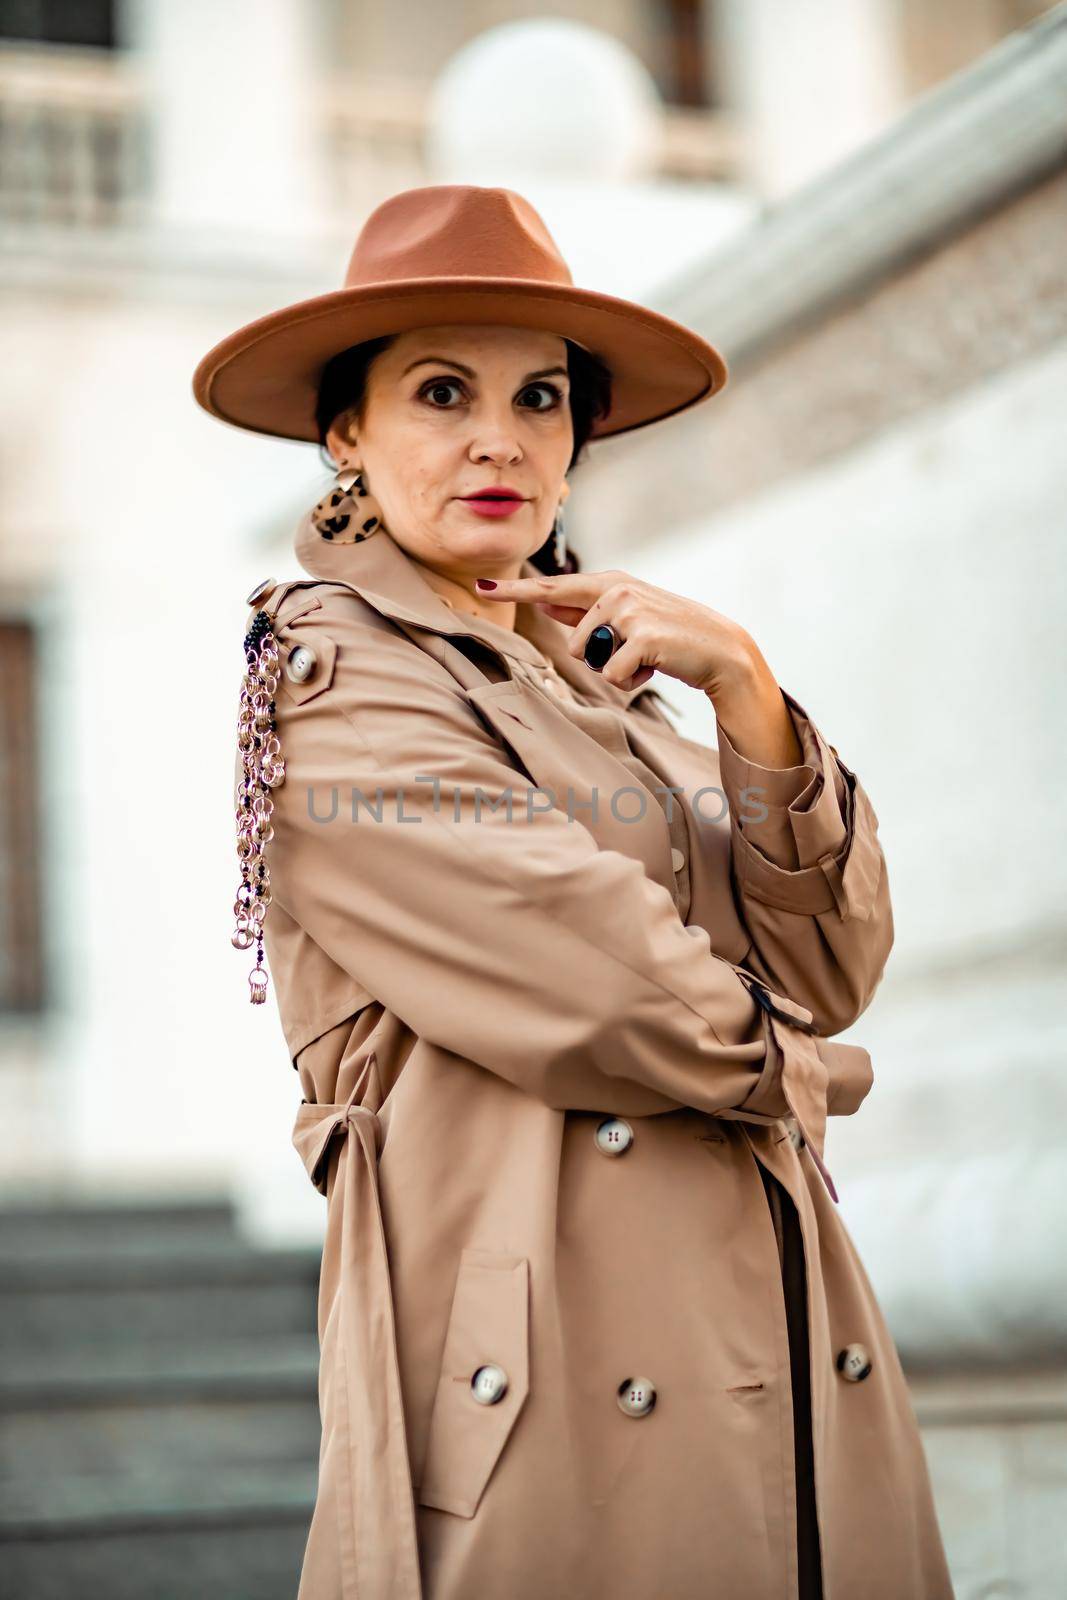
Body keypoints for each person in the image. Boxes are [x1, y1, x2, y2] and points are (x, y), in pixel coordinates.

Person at [193, 185, 955, 1600]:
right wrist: (809, 1071)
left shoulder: (609, 684)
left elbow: (836, 957)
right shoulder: (335, 675)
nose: (502, 438)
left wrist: (749, 689)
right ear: (344, 433)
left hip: (782, 1336)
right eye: (441, 391)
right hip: (552, 1384)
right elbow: (606, 987)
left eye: (542, 399)